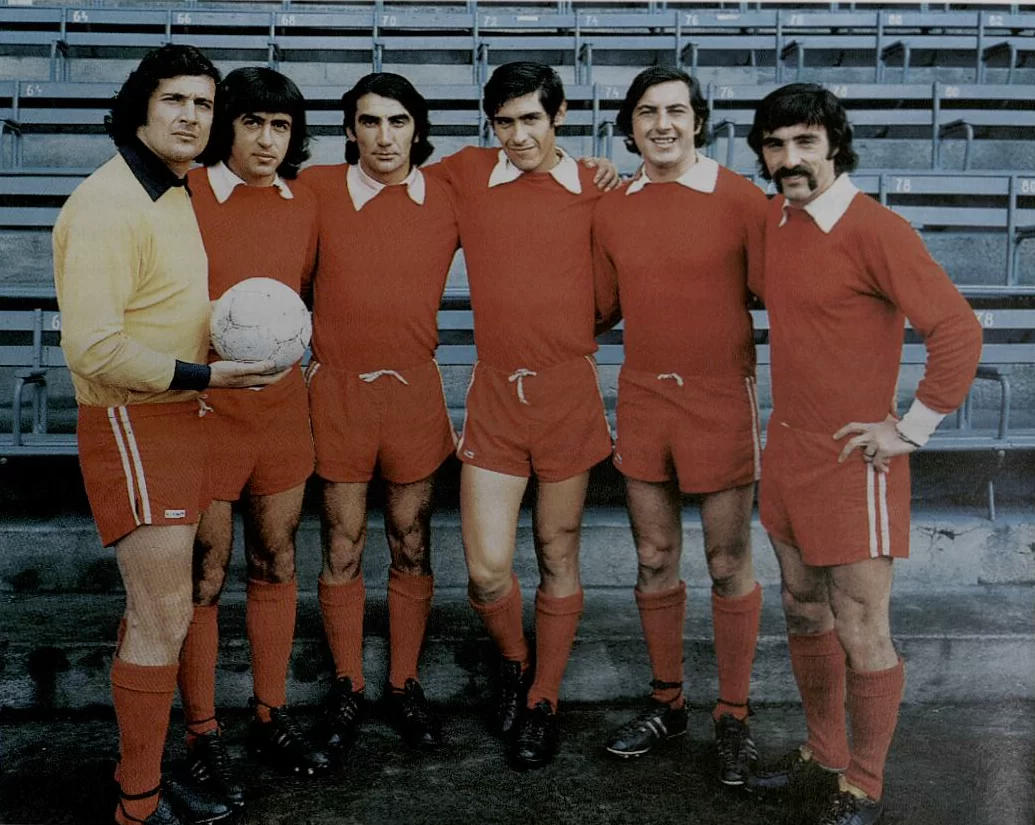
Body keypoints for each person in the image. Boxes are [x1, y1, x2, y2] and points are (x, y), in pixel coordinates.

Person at [53, 44, 286, 825]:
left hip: (178, 416)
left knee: (164, 611)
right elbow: (93, 349)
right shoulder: (106, 204)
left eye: (203, 104)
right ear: (139, 108)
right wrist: (205, 376)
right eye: (174, 100)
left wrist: (225, 339)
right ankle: (137, 805)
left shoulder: (171, 188)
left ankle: (144, 773)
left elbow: (163, 308)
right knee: (161, 615)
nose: (191, 116)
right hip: (134, 420)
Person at [743, 83, 983, 824]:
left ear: (835, 147)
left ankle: (864, 784)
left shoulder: (876, 229)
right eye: (775, 145)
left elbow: (958, 329)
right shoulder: (776, 221)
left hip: (855, 460)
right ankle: (824, 754)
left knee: (860, 624)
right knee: (801, 606)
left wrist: (909, 429)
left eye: (805, 143)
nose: (789, 158)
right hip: (789, 448)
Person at [424, 62, 617, 770]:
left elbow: (616, 291)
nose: (517, 135)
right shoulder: (468, 174)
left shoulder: (596, 185)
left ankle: (543, 697)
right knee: (486, 569)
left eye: (531, 118)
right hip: (498, 394)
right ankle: (513, 659)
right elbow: (391, 179)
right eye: (503, 122)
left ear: (558, 115)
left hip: (567, 392)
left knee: (556, 552)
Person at [592, 66, 768, 786]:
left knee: (727, 562)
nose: (661, 124)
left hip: (720, 396)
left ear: (698, 121)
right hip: (643, 395)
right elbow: (596, 307)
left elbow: (785, 292)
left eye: (675, 111)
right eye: (646, 112)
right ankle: (668, 702)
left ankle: (734, 715)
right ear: (629, 126)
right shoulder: (611, 207)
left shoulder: (742, 199)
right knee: (654, 554)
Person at [176, 66, 328, 810]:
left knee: (275, 559)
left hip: (281, 412)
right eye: (253, 123)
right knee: (204, 573)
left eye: (281, 127)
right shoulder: (185, 195)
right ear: (226, 125)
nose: (268, 140)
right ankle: (201, 733)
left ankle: (271, 712)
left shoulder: (308, 202)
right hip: (204, 412)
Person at [298, 73, 460, 755]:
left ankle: (403, 682)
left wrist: (592, 164)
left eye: (397, 121)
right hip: (339, 389)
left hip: (413, 389)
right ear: (349, 130)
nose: (384, 136)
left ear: (417, 129)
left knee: (410, 538)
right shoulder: (315, 188)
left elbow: (525, 166)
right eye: (369, 122)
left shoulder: (448, 193)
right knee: (342, 542)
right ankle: (347, 684)